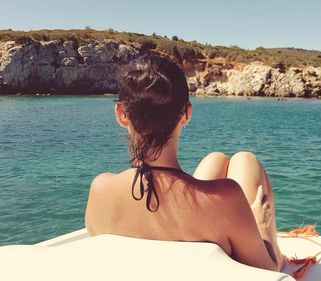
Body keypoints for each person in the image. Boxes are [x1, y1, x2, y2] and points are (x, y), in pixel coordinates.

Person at [85, 54, 286, 271]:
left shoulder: (101, 190)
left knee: (215, 160)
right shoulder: (226, 199)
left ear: (121, 114)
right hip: (209, 224)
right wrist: (262, 227)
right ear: (186, 113)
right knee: (245, 160)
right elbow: (267, 274)